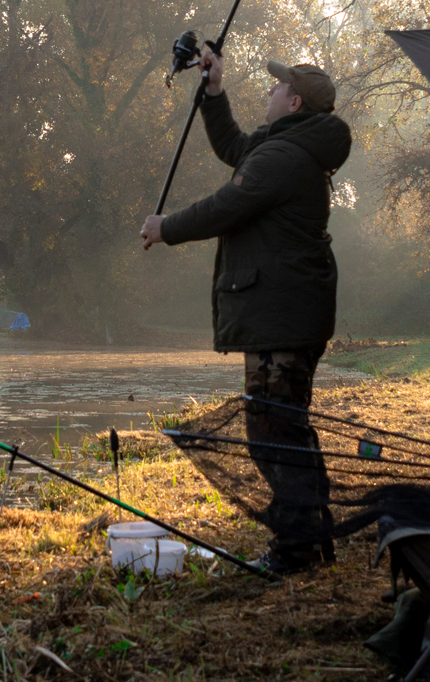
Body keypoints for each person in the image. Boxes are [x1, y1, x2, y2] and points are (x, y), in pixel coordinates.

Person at [140, 51, 350, 573]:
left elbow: (225, 206)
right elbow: (235, 147)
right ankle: (311, 537)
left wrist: (166, 228)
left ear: (295, 102)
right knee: (286, 426)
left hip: (283, 315)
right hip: (285, 312)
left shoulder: (284, 157)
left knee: (274, 431)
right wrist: (214, 92)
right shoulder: (283, 146)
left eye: (279, 88)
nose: (271, 91)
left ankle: (297, 549)